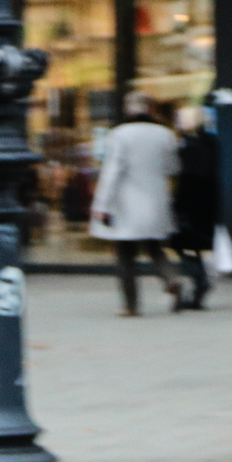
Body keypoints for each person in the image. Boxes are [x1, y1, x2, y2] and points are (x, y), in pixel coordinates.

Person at [90, 93, 180, 316]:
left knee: (125, 254)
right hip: (156, 200)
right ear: (150, 109)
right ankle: (171, 278)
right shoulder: (165, 134)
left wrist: (102, 204)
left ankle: (131, 305)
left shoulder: (119, 135)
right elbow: (173, 168)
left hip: (126, 202)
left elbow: (112, 171)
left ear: (128, 110)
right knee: (155, 249)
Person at [170, 105, 221, 310]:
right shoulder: (212, 143)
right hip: (208, 201)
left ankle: (200, 281)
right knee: (197, 246)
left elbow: (186, 178)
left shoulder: (188, 146)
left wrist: (177, 203)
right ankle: (200, 287)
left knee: (181, 244)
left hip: (190, 203)